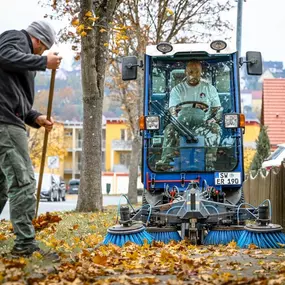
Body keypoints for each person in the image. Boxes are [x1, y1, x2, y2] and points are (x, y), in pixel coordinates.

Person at [0, 20, 62, 259]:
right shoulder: (16, 38)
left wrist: (35, 117)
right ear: (37, 40)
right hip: (5, 124)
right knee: (23, 183)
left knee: (2, 188)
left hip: (8, 118)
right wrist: (42, 63)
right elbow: (3, 55)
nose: (41, 53)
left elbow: (16, 99)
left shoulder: (22, 56)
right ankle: (24, 245)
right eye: (42, 49)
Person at [156, 60, 222, 171]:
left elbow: (217, 109)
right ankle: (166, 161)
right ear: (185, 72)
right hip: (181, 124)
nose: (194, 75)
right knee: (169, 129)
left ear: (201, 72)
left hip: (203, 124)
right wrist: (176, 117)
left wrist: (214, 119)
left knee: (216, 129)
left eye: (197, 72)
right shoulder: (177, 90)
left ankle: (209, 160)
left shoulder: (209, 89)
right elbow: (173, 110)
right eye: (191, 71)